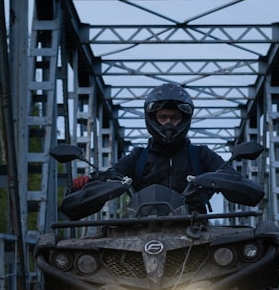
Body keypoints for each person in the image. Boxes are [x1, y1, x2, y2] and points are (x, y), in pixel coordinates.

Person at [71, 82, 227, 213]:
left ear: (184, 119)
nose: (168, 123)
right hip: (144, 226)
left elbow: (228, 173)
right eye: (162, 117)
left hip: (196, 228)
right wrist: (90, 180)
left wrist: (227, 180)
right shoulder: (138, 156)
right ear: (152, 118)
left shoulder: (202, 155)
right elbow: (114, 174)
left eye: (174, 118)